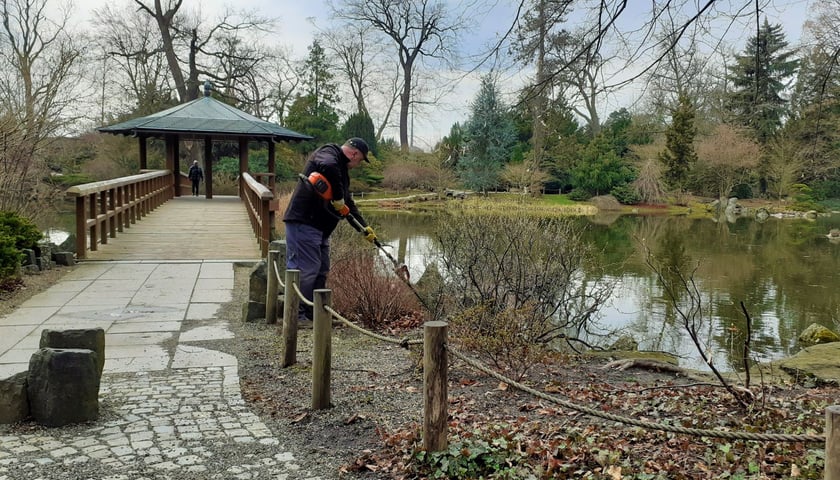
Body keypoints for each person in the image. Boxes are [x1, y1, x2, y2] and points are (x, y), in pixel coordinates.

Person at [283, 137, 377, 327]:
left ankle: (315, 313)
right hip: (304, 223)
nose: (357, 165)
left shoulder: (342, 171)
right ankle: (297, 316)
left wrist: (365, 228)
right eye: (359, 160)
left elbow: (347, 204)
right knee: (306, 269)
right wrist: (338, 197)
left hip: (320, 229)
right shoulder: (329, 152)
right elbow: (328, 166)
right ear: (354, 153)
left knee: (321, 269)